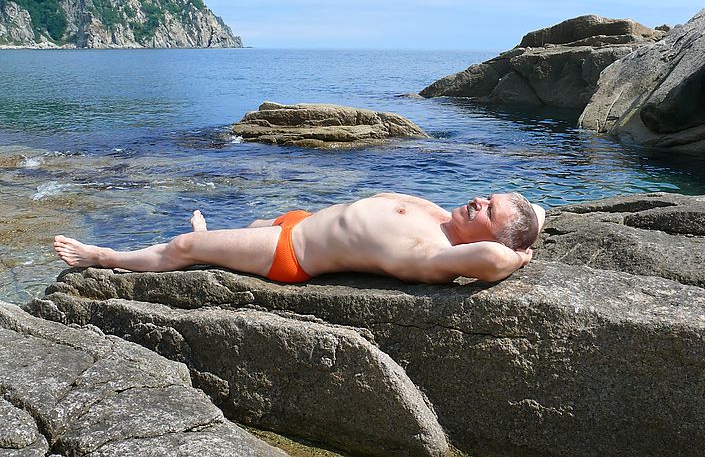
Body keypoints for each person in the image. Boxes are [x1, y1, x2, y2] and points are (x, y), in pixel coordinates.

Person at [53, 192, 546, 284]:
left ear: (498, 235)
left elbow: (492, 259)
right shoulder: (443, 218)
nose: (479, 201)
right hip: (300, 221)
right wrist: (527, 218)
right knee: (240, 232)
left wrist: (520, 255)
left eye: (489, 209)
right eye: (486, 195)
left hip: (294, 252)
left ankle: (102, 256)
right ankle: (214, 243)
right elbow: (533, 214)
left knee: (183, 248)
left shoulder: (439, 254)